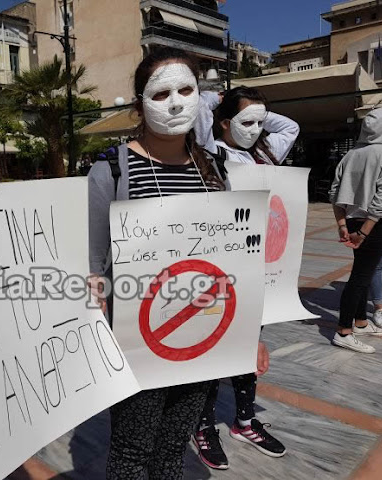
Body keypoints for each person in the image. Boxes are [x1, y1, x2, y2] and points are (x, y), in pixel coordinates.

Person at [88, 46, 236, 480]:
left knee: (173, 449)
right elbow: (94, 266)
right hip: (139, 338)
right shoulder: (111, 170)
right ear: (139, 104)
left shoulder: (214, 168)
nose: (175, 102)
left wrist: (248, 336)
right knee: (132, 455)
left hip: (203, 333)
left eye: (186, 89)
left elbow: (233, 258)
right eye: (161, 93)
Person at [191, 86, 295, 470]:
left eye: (260, 123)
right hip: (219, 265)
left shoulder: (266, 152)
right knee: (212, 347)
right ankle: (203, 427)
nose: (254, 129)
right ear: (222, 123)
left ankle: (245, 420)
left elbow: (292, 126)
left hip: (259, 265)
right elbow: (201, 117)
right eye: (245, 122)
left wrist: (256, 109)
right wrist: (214, 98)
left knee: (252, 345)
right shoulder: (209, 150)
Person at [330, 107, 382, 353]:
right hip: (374, 224)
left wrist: (343, 225)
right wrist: (364, 232)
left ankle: (361, 322)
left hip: (352, 220)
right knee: (361, 277)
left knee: (363, 272)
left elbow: (334, 193)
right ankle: (344, 331)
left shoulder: (350, 154)